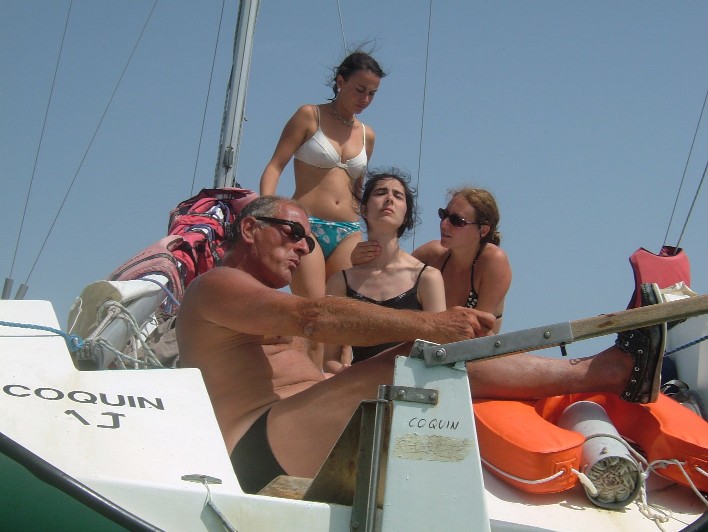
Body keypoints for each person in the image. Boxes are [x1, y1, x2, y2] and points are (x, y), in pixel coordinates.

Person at [176, 195, 666, 495]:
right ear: (249, 229)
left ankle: (588, 378)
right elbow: (314, 316)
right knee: (422, 356)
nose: (305, 247)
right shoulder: (216, 285)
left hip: (298, 429)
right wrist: (432, 325)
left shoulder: (255, 301)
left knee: (437, 371)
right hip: (259, 448)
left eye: (308, 239)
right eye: (294, 233)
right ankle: (607, 372)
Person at [259, 51, 386, 368]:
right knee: (313, 318)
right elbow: (274, 167)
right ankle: (304, 387)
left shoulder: (367, 135)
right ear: (341, 81)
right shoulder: (309, 116)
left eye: (372, 93)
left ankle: (336, 393)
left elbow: (358, 191)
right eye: (360, 90)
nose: (365, 99)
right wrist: (269, 215)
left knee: (342, 330)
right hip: (307, 226)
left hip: (349, 232)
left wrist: (375, 235)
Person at [324, 169, 446, 372]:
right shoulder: (340, 282)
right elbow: (330, 360)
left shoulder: (427, 277)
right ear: (364, 210)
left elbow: (437, 354)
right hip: (358, 384)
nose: (389, 199)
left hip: (410, 386)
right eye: (380, 193)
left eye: (398, 196)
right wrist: (348, 375)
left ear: (406, 216)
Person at [353, 187, 512, 333]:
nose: (444, 224)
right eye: (444, 215)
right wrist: (358, 263)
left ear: (482, 230)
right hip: (431, 344)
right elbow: (387, 278)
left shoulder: (492, 261)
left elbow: (478, 331)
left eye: (457, 221)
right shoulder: (431, 255)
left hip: (474, 349)